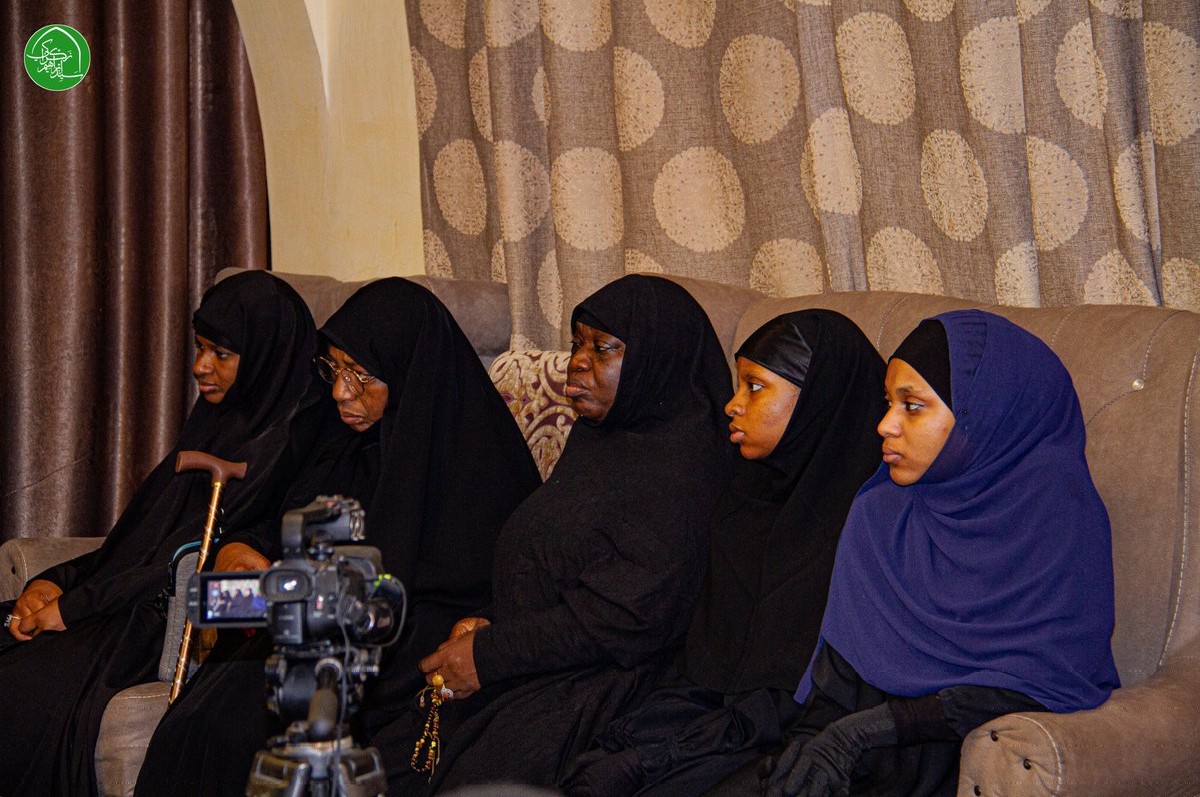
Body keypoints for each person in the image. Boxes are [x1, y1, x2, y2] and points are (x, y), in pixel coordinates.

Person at [134, 277, 542, 797]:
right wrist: (244, 547)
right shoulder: (338, 439)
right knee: (197, 724)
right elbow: (279, 512)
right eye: (334, 368)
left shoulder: (483, 464)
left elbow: (505, 592)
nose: (340, 392)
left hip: (398, 656)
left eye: (361, 375)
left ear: (409, 373)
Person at [718, 310, 1120, 797]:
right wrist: (809, 746)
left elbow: (1045, 681)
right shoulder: (881, 508)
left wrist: (863, 734)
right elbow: (840, 673)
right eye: (888, 402)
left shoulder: (1059, 519)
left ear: (984, 413)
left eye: (912, 406)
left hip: (951, 755)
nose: (884, 424)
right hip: (857, 754)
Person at [377, 274, 735, 794]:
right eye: (577, 343)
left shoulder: (684, 467)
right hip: (539, 657)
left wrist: (492, 652)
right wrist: (492, 624)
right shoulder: (602, 437)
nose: (578, 362)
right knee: (381, 762)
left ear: (658, 360)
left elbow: (626, 619)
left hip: (607, 684)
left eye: (603, 347)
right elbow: (560, 562)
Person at [0, 271, 323, 797]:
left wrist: (76, 606)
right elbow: (135, 540)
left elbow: (185, 560)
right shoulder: (215, 421)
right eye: (200, 348)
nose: (200, 367)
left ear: (265, 356)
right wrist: (57, 580)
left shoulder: (282, 448)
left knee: (20, 690)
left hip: (152, 623)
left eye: (221, 354)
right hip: (108, 603)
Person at [561, 310, 886, 796]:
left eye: (755, 388)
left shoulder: (870, 523)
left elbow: (812, 699)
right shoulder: (745, 495)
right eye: (737, 386)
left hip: (791, 739)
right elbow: (705, 661)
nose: (732, 405)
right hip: (708, 710)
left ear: (818, 399)